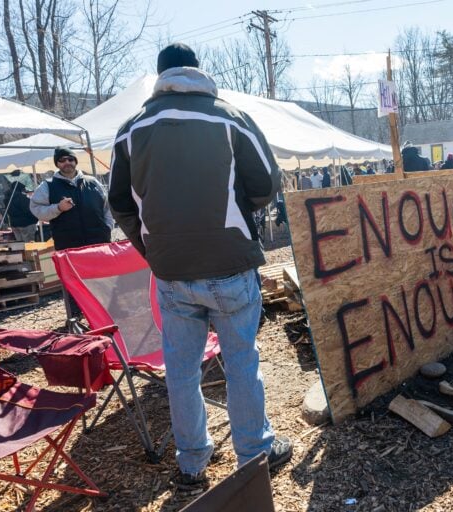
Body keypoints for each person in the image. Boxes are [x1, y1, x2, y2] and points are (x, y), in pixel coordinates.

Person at [108, 43, 291, 489]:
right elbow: (268, 184)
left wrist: (152, 248)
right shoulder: (229, 117)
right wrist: (236, 211)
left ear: (159, 76)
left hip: (171, 270)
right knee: (241, 361)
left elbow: (118, 203)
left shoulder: (132, 128)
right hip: (230, 260)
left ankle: (191, 461)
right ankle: (255, 453)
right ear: (198, 72)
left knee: (182, 370)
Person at [29, 147, 113, 250]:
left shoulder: (93, 182)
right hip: (69, 248)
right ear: (57, 163)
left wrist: (108, 228)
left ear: (75, 162)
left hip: (100, 244)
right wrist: (58, 208)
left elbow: (107, 208)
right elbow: (36, 210)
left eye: (70, 159)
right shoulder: (47, 186)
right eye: (62, 160)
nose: (67, 162)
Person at [3, 170, 38, 242]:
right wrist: (36, 218)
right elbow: (29, 210)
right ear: (21, 188)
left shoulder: (7, 198)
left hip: (14, 225)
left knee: (20, 246)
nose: (25, 190)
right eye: (24, 188)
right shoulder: (22, 198)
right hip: (26, 224)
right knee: (29, 246)